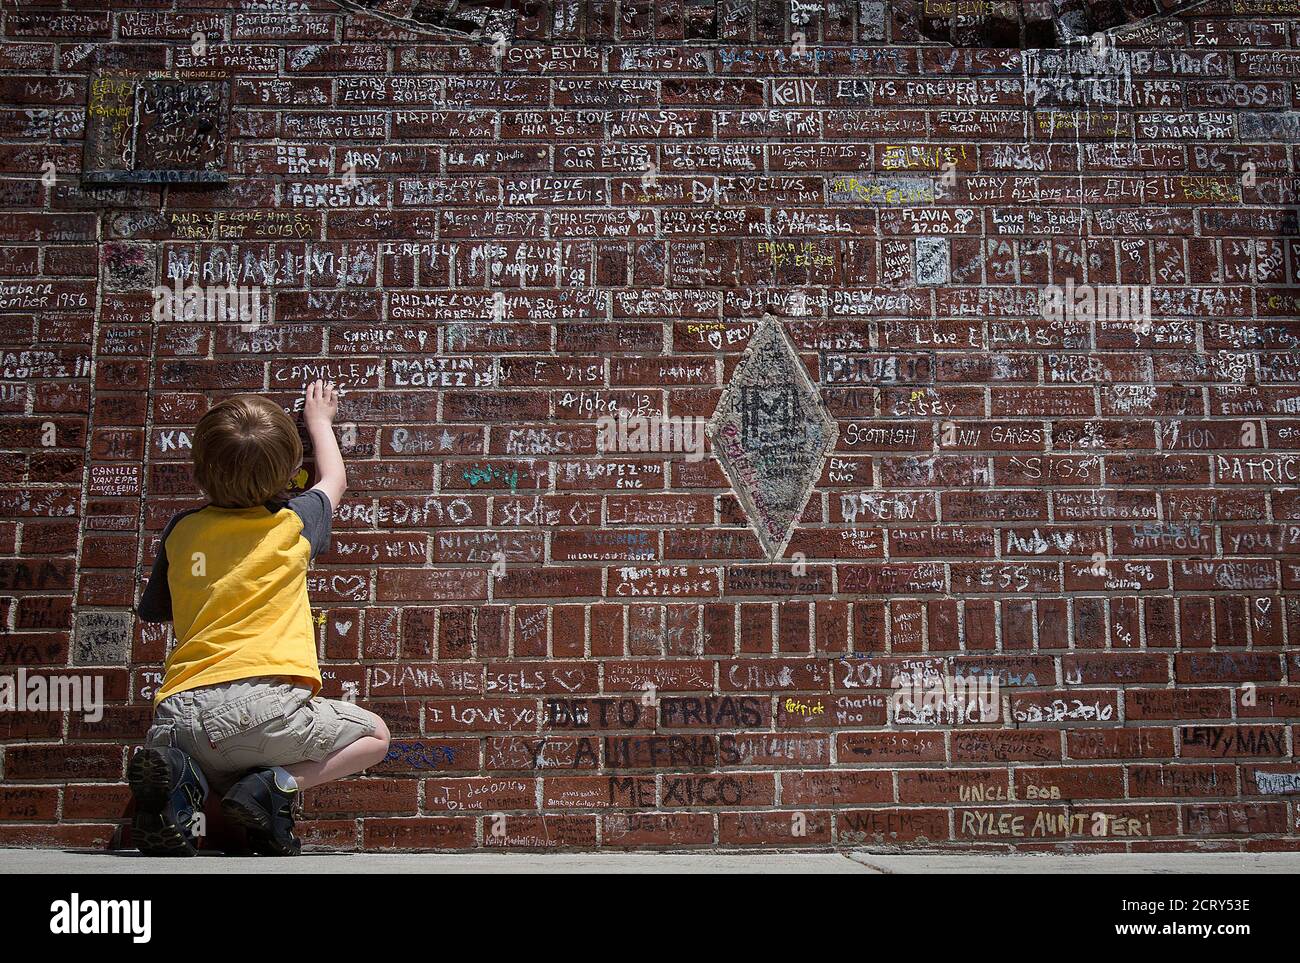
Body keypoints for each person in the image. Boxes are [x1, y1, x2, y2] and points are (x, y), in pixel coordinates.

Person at [130, 381, 389, 856]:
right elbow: (335, 480)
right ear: (290, 474)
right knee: (376, 735)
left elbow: (157, 612)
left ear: (199, 472)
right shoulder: (295, 521)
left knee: (218, 757)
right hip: (262, 710)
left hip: (176, 717)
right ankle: (275, 786)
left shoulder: (181, 531)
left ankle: (181, 785)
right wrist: (319, 422)